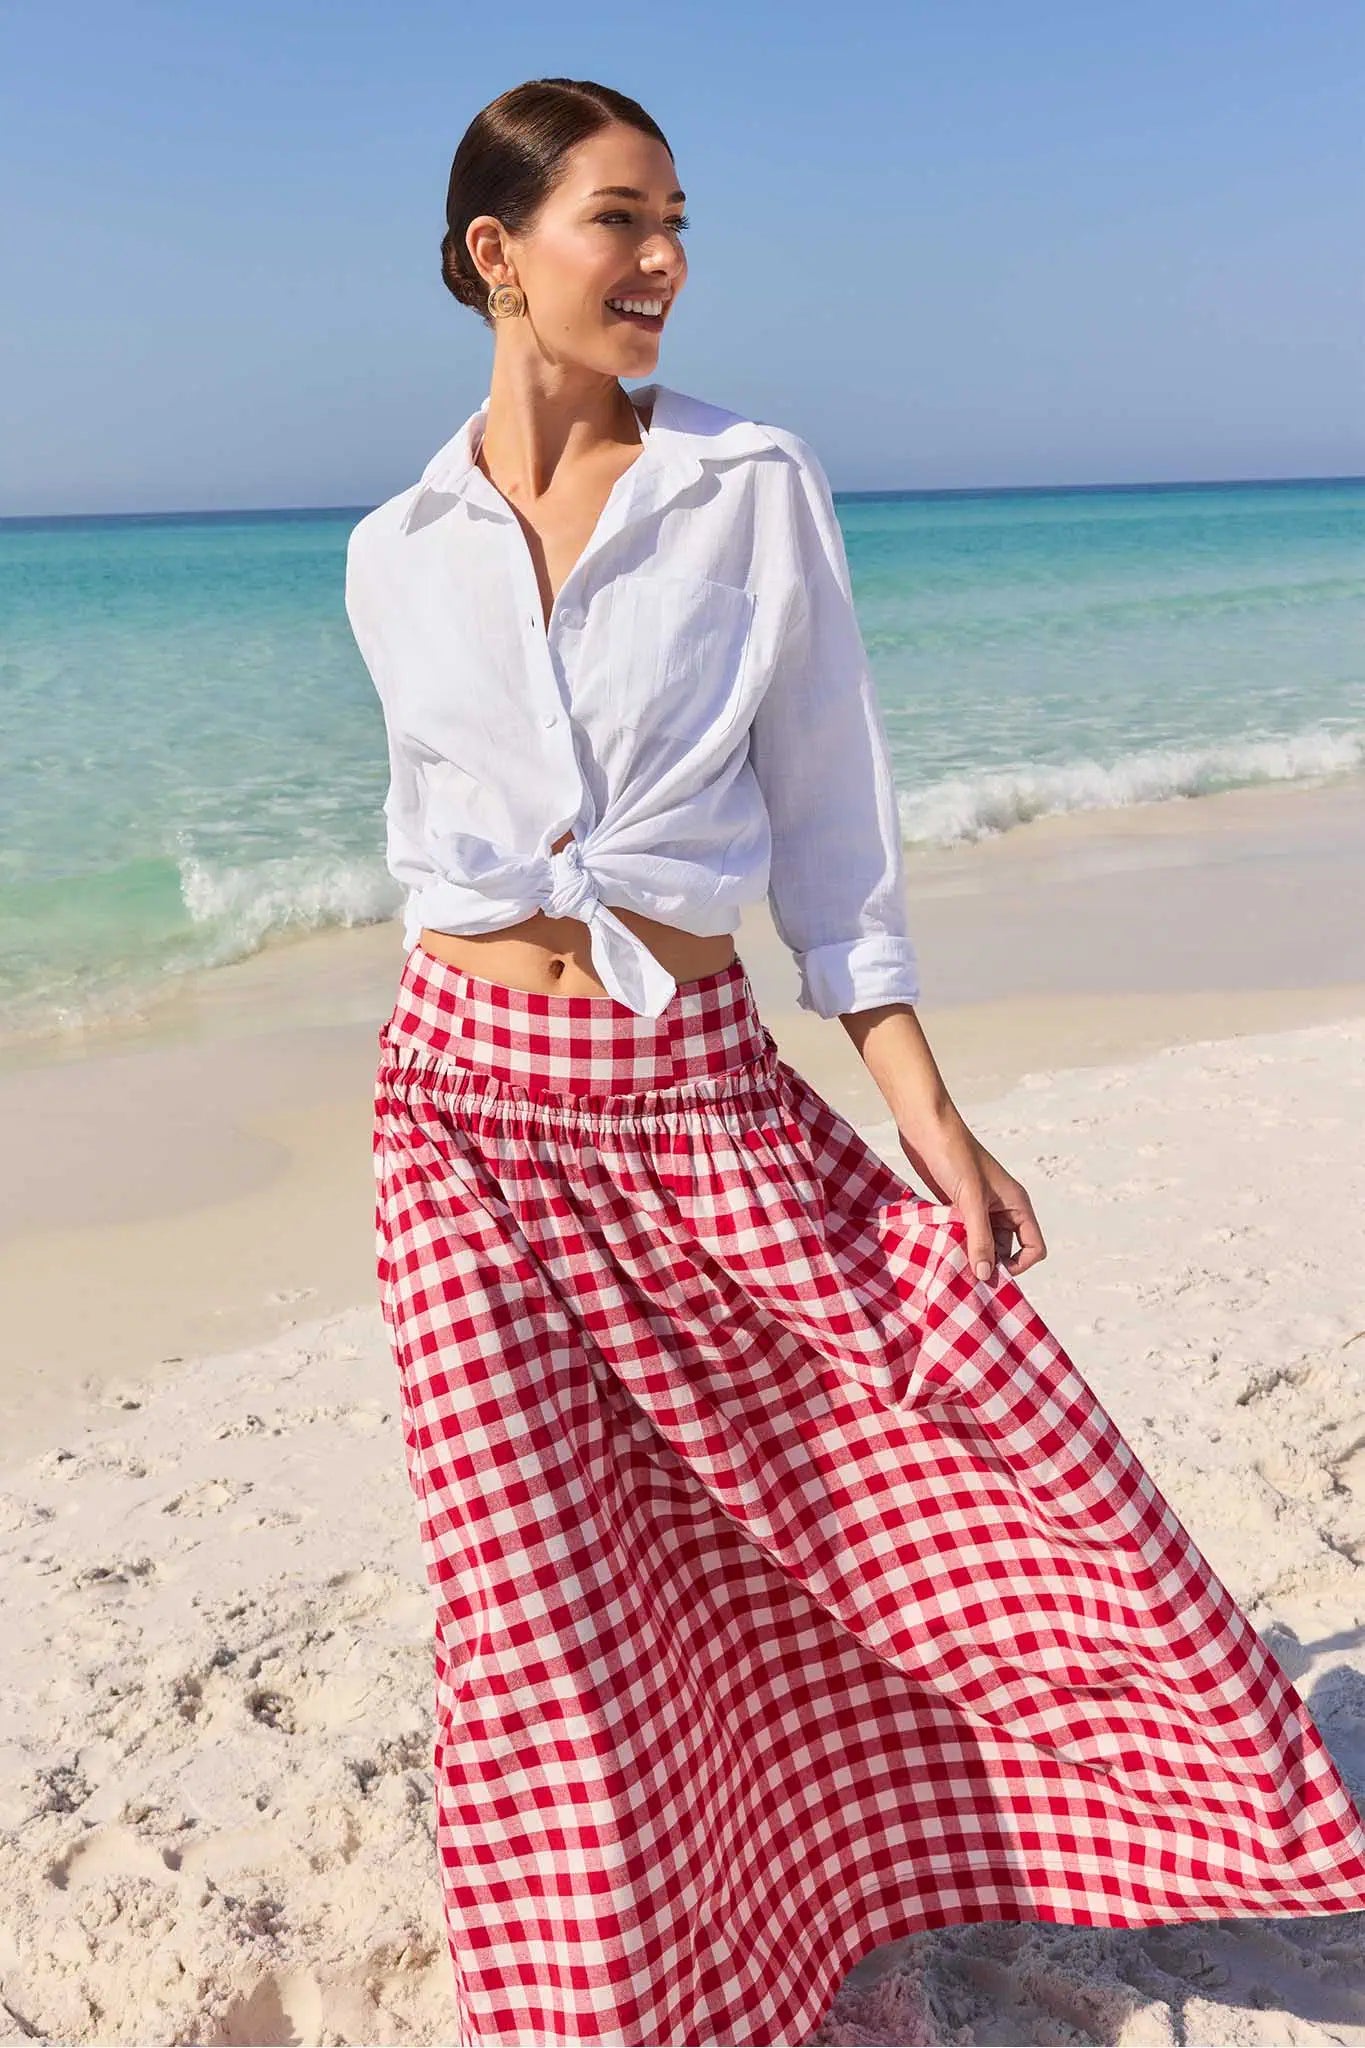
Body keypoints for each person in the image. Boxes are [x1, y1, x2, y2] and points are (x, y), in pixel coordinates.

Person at [345, 76, 1365, 2048]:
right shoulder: (397, 545)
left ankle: (1019, 1840)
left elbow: (826, 820)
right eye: (617, 222)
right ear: (496, 254)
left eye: (673, 223)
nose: (663, 262)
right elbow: (427, 839)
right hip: (459, 1116)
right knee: (545, 1623)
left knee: (939, 1446)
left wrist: (919, 1104)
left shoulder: (748, 486)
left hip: (695, 1091)